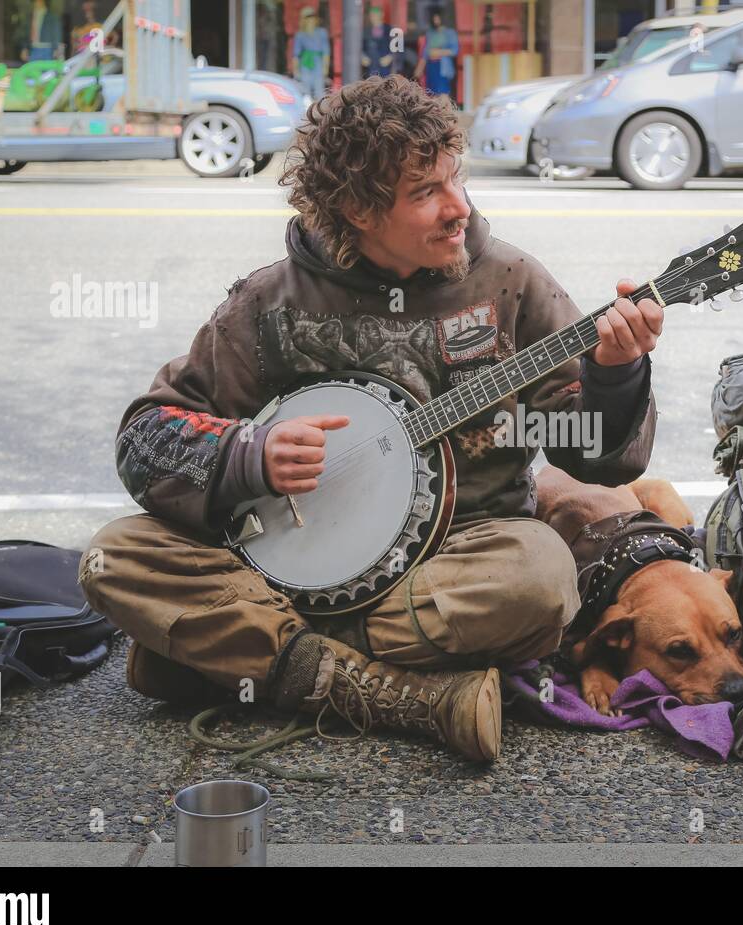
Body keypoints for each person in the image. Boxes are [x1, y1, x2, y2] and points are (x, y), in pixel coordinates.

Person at [79, 76, 662, 763]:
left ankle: (238, 654)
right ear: (357, 209)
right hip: (283, 565)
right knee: (114, 556)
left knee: (539, 578)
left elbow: (597, 457)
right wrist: (248, 455)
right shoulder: (269, 301)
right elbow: (149, 436)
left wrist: (615, 374)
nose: (459, 209)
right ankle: (393, 693)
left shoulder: (509, 283)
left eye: (457, 180)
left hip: (457, 555)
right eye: (426, 194)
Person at [291, 6, 331, 100]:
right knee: (305, 91)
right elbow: (296, 55)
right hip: (305, 62)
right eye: (308, 17)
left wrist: (326, 68)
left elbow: (326, 52)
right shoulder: (300, 35)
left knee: (319, 90)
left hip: (318, 62)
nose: (310, 20)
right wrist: (296, 71)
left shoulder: (322, 32)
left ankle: (320, 112)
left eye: (312, 17)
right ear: (303, 20)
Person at [421, 6, 459, 98]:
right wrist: (420, 67)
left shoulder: (450, 33)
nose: (436, 21)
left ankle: (445, 111)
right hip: (431, 66)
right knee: (432, 92)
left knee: (443, 91)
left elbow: (455, 50)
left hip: (443, 66)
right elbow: (425, 53)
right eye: (434, 19)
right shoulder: (430, 33)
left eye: (438, 18)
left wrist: (438, 52)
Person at [362, 5, 396, 78]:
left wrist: (391, 57)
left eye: (375, 15)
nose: (373, 17)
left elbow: (398, 47)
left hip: (385, 68)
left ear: (382, 15)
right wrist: (362, 57)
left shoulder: (389, 29)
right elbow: (360, 47)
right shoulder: (365, 31)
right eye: (372, 15)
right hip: (370, 68)